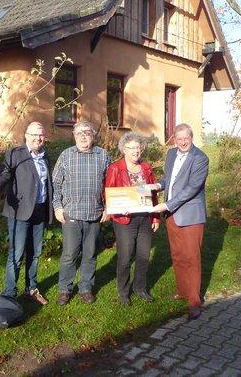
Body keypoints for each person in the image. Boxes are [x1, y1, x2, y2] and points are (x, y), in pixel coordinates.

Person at [0, 122, 51, 305]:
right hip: (19, 212)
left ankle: (32, 289)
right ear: (26, 135)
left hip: (40, 211)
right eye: (34, 134)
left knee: (35, 253)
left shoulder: (45, 157)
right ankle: (9, 293)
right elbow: (5, 174)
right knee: (16, 254)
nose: (38, 138)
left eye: (41, 135)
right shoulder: (16, 154)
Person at [151, 123, 209, 320]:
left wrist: (166, 205)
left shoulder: (200, 158)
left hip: (191, 216)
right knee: (177, 255)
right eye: (179, 138)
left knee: (192, 258)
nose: (183, 142)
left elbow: (192, 188)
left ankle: (194, 301)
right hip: (173, 216)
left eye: (186, 138)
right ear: (174, 139)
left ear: (191, 137)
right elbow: (169, 179)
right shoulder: (171, 154)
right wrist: (157, 185)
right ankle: (183, 290)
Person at [53, 121, 111, 305]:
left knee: (90, 254)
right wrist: (57, 206)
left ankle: (86, 288)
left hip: (95, 214)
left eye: (87, 132)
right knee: (69, 255)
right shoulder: (66, 155)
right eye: (79, 133)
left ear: (93, 135)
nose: (83, 136)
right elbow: (55, 183)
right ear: (74, 135)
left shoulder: (103, 155)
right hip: (71, 214)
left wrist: (109, 208)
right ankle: (64, 289)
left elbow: (111, 185)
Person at [105, 131, 160, 306]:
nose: (136, 151)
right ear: (124, 149)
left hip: (144, 217)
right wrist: (119, 209)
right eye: (132, 148)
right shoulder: (115, 168)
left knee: (143, 256)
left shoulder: (146, 167)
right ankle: (123, 291)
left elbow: (153, 194)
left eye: (138, 147)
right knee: (125, 257)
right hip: (124, 221)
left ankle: (140, 288)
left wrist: (156, 217)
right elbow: (109, 194)